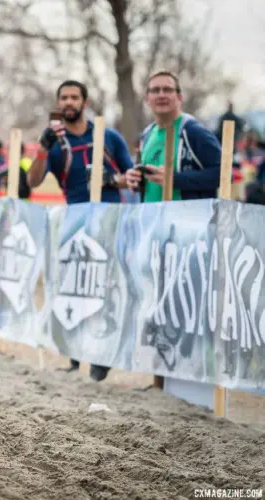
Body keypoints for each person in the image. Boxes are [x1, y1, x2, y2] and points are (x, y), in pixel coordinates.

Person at [27, 79, 140, 382]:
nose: (68, 102)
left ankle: (102, 358)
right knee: (73, 287)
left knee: (105, 287)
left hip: (109, 221)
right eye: (63, 97)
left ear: (85, 102)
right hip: (73, 222)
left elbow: (130, 177)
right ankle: (76, 357)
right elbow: (33, 182)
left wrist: (110, 181)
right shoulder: (54, 143)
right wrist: (41, 149)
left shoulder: (109, 137)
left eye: (74, 97)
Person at [130, 70, 222, 202]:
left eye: (167, 90)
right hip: (151, 220)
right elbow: (151, 181)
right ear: (147, 99)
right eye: (155, 90)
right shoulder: (146, 135)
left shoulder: (194, 132)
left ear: (180, 97)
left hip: (187, 220)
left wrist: (175, 179)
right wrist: (135, 179)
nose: (161, 95)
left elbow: (224, 174)